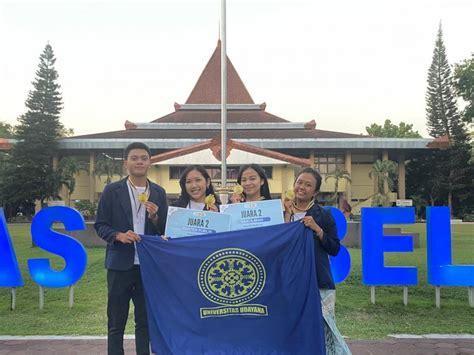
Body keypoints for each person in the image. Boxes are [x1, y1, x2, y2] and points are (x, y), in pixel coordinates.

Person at [94, 142, 168, 355]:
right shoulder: (112, 190)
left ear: (150, 162)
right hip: (120, 264)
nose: (139, 162)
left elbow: (163, 229)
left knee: (144, 321)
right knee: (116, 322)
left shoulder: (158, 192)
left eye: (143, 158)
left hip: (148, 266)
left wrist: (155, 217)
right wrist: (118, 235)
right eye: (134, 158)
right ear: (126, 162)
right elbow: (101, 225)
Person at [283, 167, 351, 355]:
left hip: (318, 281)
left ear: (315, 191)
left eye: (308, 184)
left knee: (324, 328)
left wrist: (317, 229)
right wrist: (287, 216)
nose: (302, 187)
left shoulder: (324, 215)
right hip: (290, 282)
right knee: (293, 327)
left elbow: (335, 248)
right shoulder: (282, 211)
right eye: (299, 182)